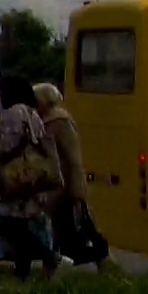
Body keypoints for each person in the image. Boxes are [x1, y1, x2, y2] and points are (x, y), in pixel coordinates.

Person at [0, 85, 59, 279]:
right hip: (29, 175)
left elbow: (9, 144)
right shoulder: (32, 113)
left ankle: (48, 256)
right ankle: (22, 270)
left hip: (15, 175)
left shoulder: (13, 113)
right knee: (22, 225)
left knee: (9, 225)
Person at [36, 79, 105, 267]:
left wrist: (77, 188)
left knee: (77, 228)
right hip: (55, 183)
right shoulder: (45, 121)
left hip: (64, 183)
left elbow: (73, 157)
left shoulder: (60, 122)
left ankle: (102, 261)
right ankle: (54, 266)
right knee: (59, 230)